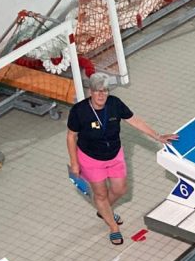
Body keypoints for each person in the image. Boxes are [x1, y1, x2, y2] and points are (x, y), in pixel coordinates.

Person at [66, 72, 178, 245]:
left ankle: (104, 210)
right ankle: (113, 226)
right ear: (90, 92)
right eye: (97, 91)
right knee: (101, 194)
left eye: (105, 90)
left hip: (114, 155)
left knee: (120, 189)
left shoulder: (114, 104)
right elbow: (71, 136)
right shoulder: (79, 111)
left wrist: (158, 136)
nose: (101, 95)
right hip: (91, 158)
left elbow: (135, 121)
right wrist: (74, 163)